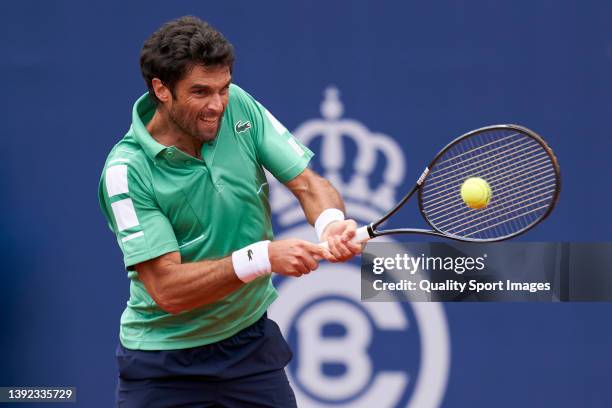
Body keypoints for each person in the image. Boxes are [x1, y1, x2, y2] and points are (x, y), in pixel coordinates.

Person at [98, 16, 362, 407]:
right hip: (164, 363)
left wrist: (331, 223)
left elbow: (308, 185)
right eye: (201, 92)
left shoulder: (238, 107)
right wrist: (263, 257)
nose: (216, 105)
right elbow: (168, 290)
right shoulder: (126, 172)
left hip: (248, 346)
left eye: (222, 89)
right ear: (161, 89)